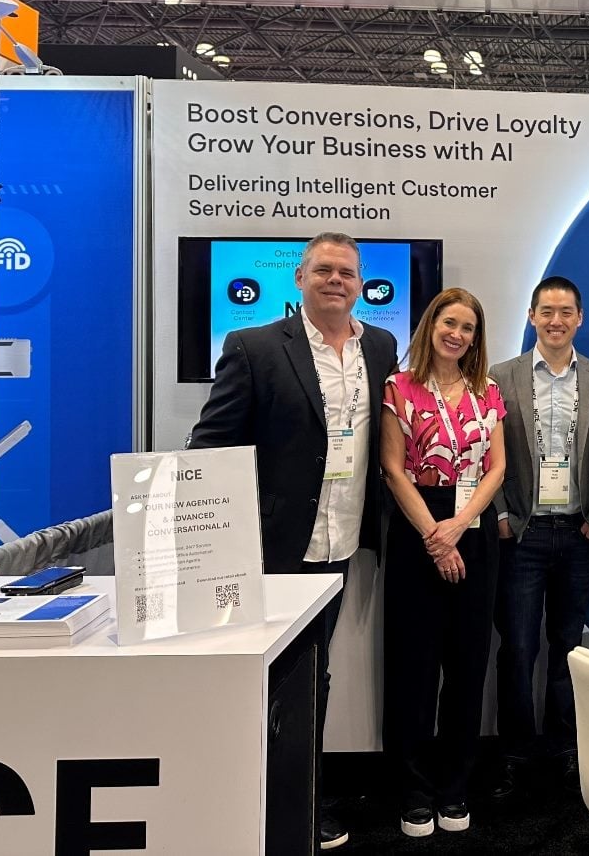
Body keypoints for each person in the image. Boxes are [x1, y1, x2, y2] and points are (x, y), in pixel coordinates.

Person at [188, 231, 398, 851]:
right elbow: (212, 443)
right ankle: (241, 789)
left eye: (347, 273)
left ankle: (304, 793)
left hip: (342, 538)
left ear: (360, 284)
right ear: (300, 279)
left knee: (315, 670)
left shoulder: (381, 346)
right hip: (271, 542)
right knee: (258, 669)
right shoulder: (253, 346)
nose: (337, 280)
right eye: (324, 270)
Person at [380, 287, 506, 838]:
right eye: (449, 323)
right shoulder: (398, 388)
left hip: (473, 526)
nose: (458, 334)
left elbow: (498, 467)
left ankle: (455, 787)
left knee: (467, 666)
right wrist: (434, 534)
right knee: (412, 667)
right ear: (431, 325)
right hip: (416, 528)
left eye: (469, 328)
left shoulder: (488, 390)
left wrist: (458, 528)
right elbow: (391, 467)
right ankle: (413, 790)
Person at [488, 276, 589, 799]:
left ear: (580, 318)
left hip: (580, 532)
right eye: (546, 312)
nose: (556, 321)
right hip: (523, 532)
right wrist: (498, 513)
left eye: (565, 312)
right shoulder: (500, 376)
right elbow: (482, 451)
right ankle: (514, 754)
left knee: (568, 645)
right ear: (532, 317)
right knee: (516, 648)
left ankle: (565, 750)